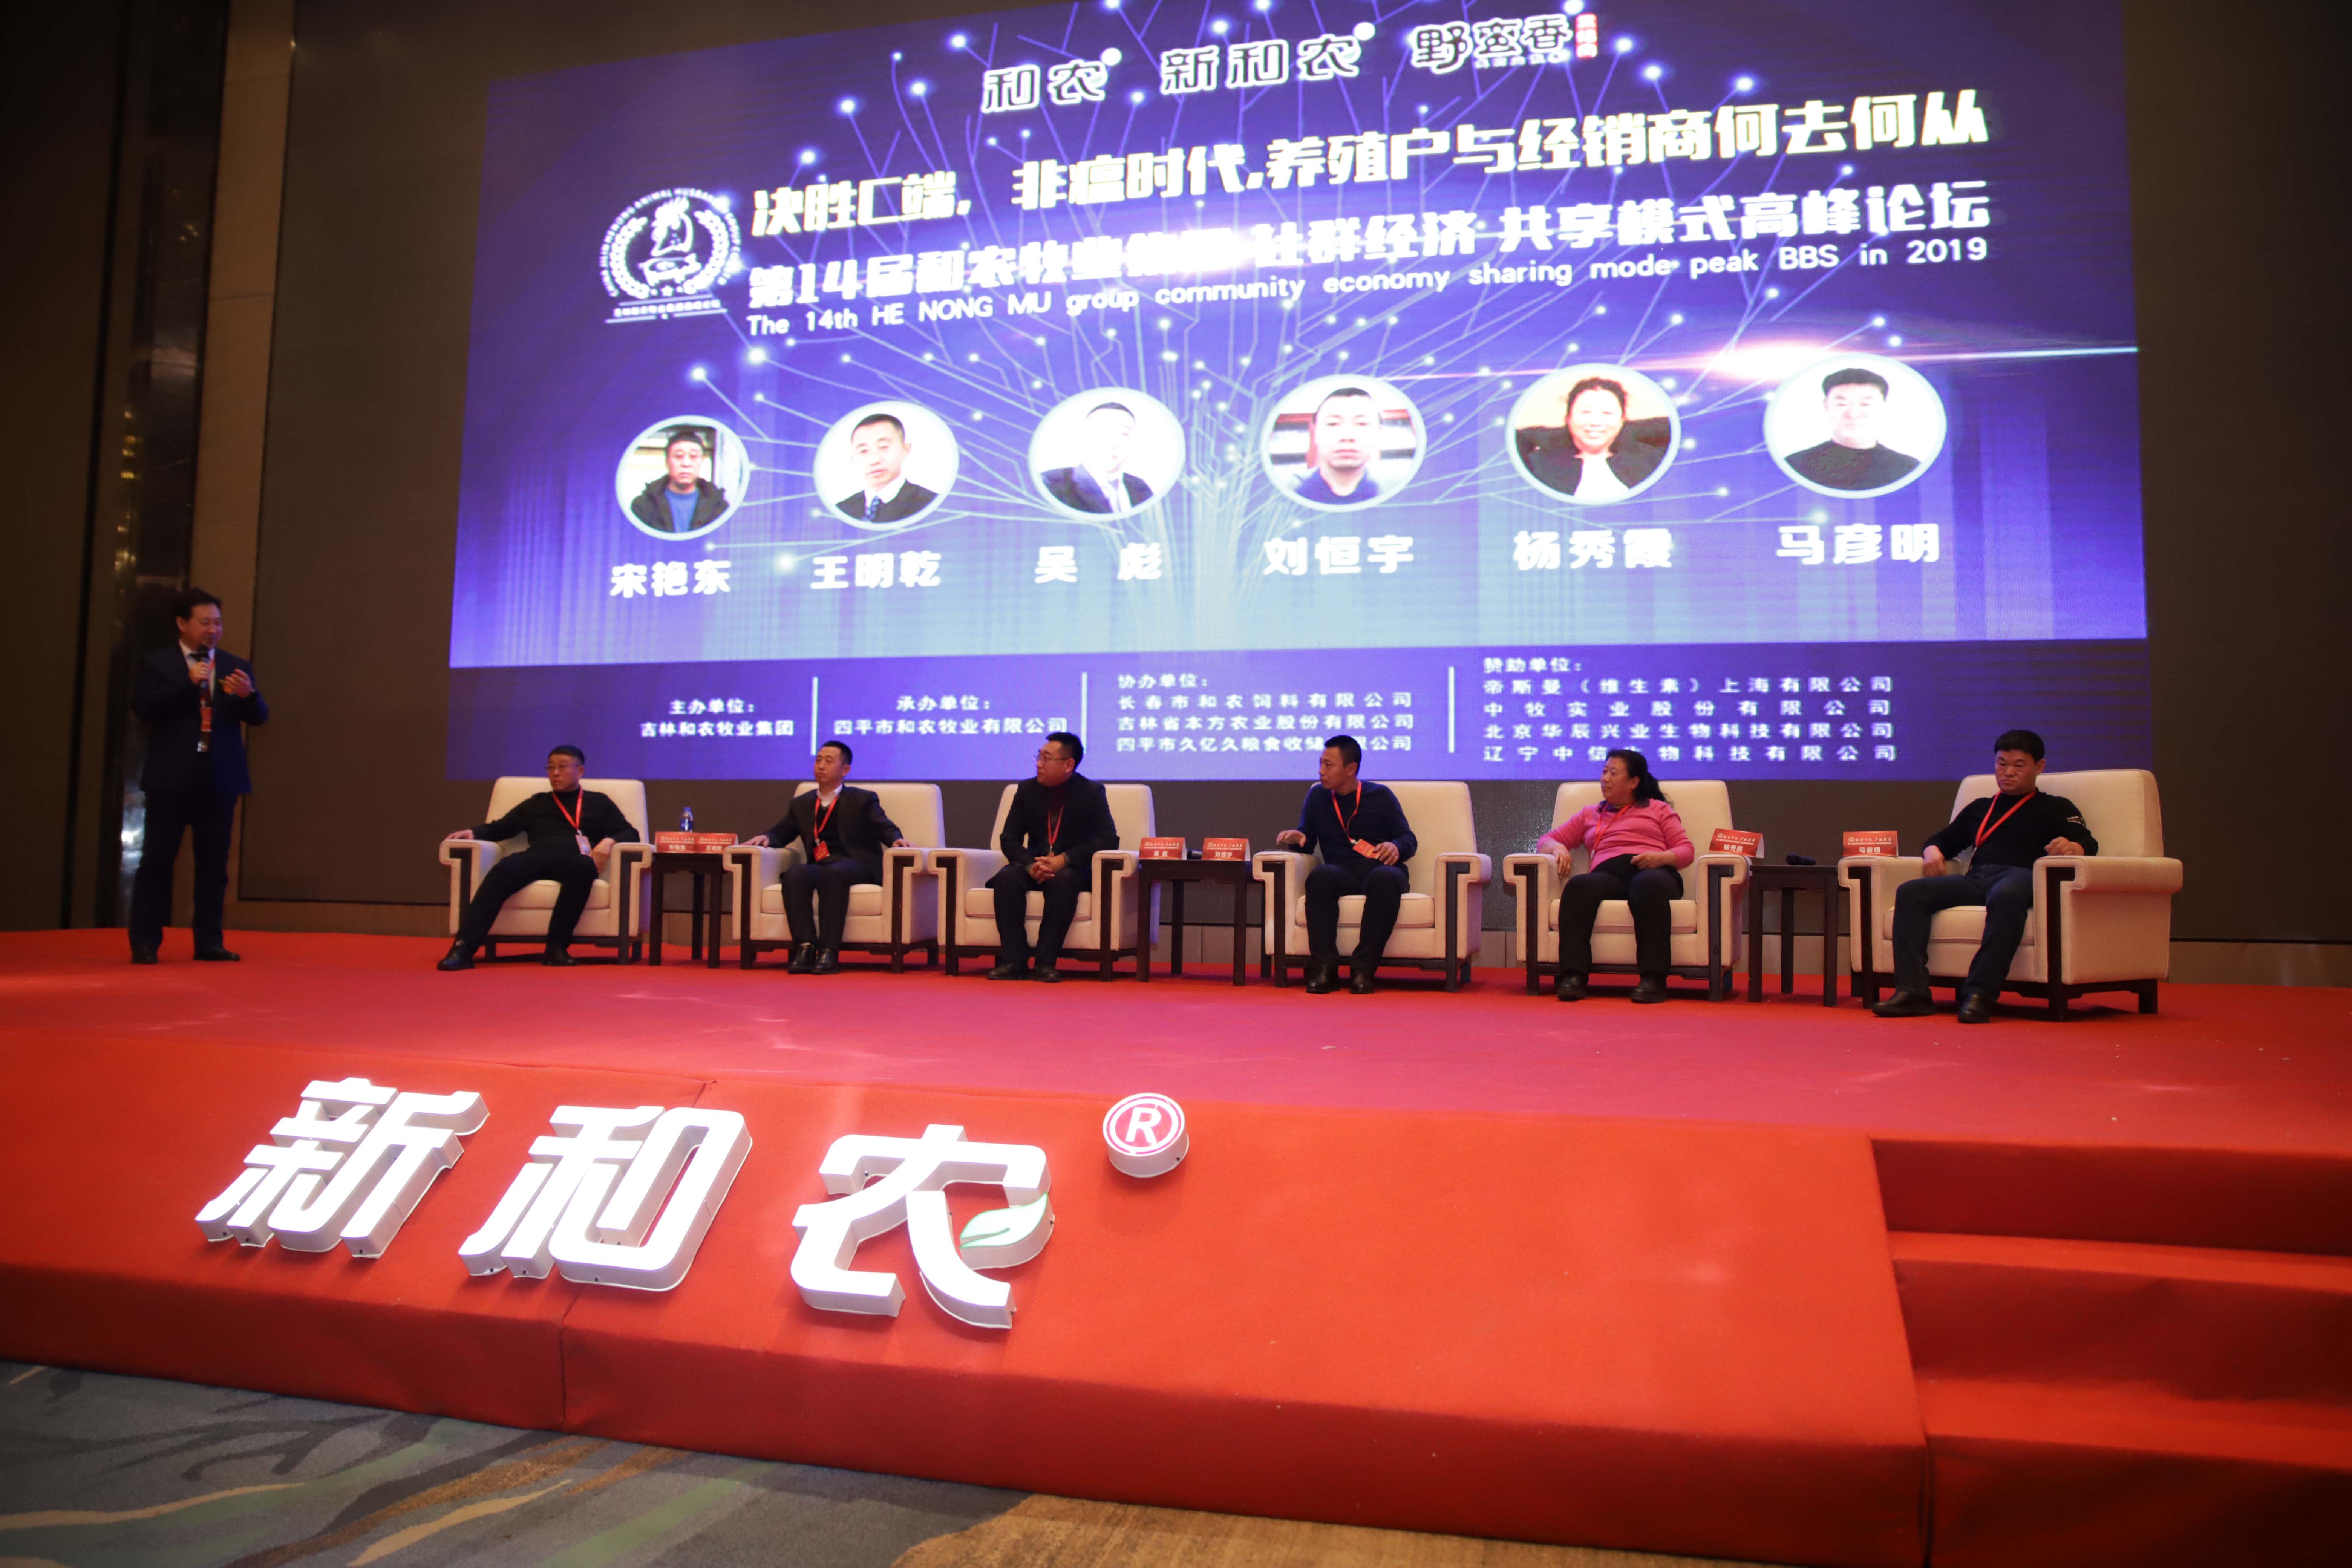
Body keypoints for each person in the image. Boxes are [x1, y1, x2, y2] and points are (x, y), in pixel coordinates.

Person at [1872, 729, 2096, 1024]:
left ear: (2039, 767)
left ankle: (1980, 994)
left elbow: (2088, 843)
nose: (2008, 773)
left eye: (2019, 765)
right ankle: (1913, 992)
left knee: (2006, 895)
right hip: (1978, 878)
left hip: (2024, 877)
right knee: (1911, 892)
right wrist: (1932, 851)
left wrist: (2073, 847)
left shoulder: (2057, 807)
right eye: (2002, 764)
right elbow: (1942, 840)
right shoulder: (1982, 808)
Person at [127, 587, 271, 964]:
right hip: (171, 778)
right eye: (205, 623)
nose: (213, 630)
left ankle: (209, 941)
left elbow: (259, 717)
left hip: (219, 778)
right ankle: (145, 942)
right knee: (158, 861)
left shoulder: (235, 665)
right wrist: (187, 684)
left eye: (218, 623)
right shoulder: (158, 664)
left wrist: (249, 695)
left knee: (213, 864)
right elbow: (143, 708)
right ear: (182, 623)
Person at [439, 746, 640, 969]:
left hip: (575, 860)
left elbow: (630, 832)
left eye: (562, 767)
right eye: (551, 768)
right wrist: (473, 833)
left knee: (584, 868)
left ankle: (556, 948)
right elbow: (501, 828)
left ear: (580, 771)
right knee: (502, 870)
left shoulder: (599, 802)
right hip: (537, 856)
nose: (555, 773)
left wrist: (609, 841)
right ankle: (463, 949)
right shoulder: (537, 803)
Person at [1536, 749, 1693, 1003]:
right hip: (1610, 875)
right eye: (1604, 772)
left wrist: (1660, 858)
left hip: (1654, 872)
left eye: (1613, 773)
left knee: (1647, 887)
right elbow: (1547, 839)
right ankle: (1573, 977)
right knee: (1578, 886)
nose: (1605, 779)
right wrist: (1558, 848)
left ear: (1634, 782)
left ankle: (1653, 980)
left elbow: (1686, 851)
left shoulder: (1658, 809)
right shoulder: (1591, 814)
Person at [743, 740, 909, 972]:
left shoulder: (862, 799)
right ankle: (805, 947)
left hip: (857, 864)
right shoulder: (802, 804)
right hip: (821, 864)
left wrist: (896, 840)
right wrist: (767, 838)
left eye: (829, 761)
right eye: (818, 760)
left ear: (845, 770)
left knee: (834, 874)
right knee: (795, 874)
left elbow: (884, 826)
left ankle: (829, 950)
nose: (821, 766)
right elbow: (782, 832)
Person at [1274, 735, 1417, 994]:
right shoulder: (1318, 796)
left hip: (1380, 869)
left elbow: (1408, 839)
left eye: (1329, 765)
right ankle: (1325, 968)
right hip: (1343, 871)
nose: (1321, 771)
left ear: (1351, 769)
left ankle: (1363, 970)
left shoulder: (1380, 795)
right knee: (1321, 876)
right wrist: (1299, 840)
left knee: (1385, 879)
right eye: (1320, 763)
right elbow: (1308, 841)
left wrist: (1396, 846)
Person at [986, 732, 1119, 982]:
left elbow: (1109, 839)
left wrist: (1065, 859)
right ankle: (1013, 961)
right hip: (1034, 865)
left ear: (1069, 765)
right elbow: (1009, 839)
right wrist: (1029, 865)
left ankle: (1045, 963)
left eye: (1047, 759)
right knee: (1007, 878)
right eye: (1039, 757)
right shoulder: (1027, 790)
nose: (1039, 764)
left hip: (1072, 869)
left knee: (1064, 880)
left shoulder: (1091, 792)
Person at [1521, 376, 1668, 502]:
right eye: (1586, 412)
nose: (1595, 422)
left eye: (1607, 413)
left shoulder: (1652, 460)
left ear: (1622, 420)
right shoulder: (1538, 466)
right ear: (1569, 418)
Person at [1784, 367, 1920, 491]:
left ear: (1883, 407)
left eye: (1866, 404)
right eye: (1842, 404)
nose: (1853, 414)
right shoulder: (1795, 465)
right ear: (1826, 406)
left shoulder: (1908, 468)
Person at [1042, 402, 1154, 514]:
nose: (1113, 443)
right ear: (1083, 438)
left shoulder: (1141, 488)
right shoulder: (1051, 484)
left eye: (1124, 434)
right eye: (1101, 433)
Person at [833, 412, 938, 524]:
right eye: (863, 451)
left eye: (884, 447)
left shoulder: (931, 504)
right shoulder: (841, 510)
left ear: (906, 450)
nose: (874, 460)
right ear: (853, 459)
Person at [1290, 385, 1384, 505]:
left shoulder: (1395, 489)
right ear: (1314, 433)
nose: (1347, 437)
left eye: (1362, 424)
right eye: (1333, 424)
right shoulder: (1288, 491)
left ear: (1378, 433)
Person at [629, 428, 731, 533]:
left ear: (702, 461)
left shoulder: (719, 508)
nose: (686, 464)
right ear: (667, 462)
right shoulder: (644, 506)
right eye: (679, 456)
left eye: (693, 457)